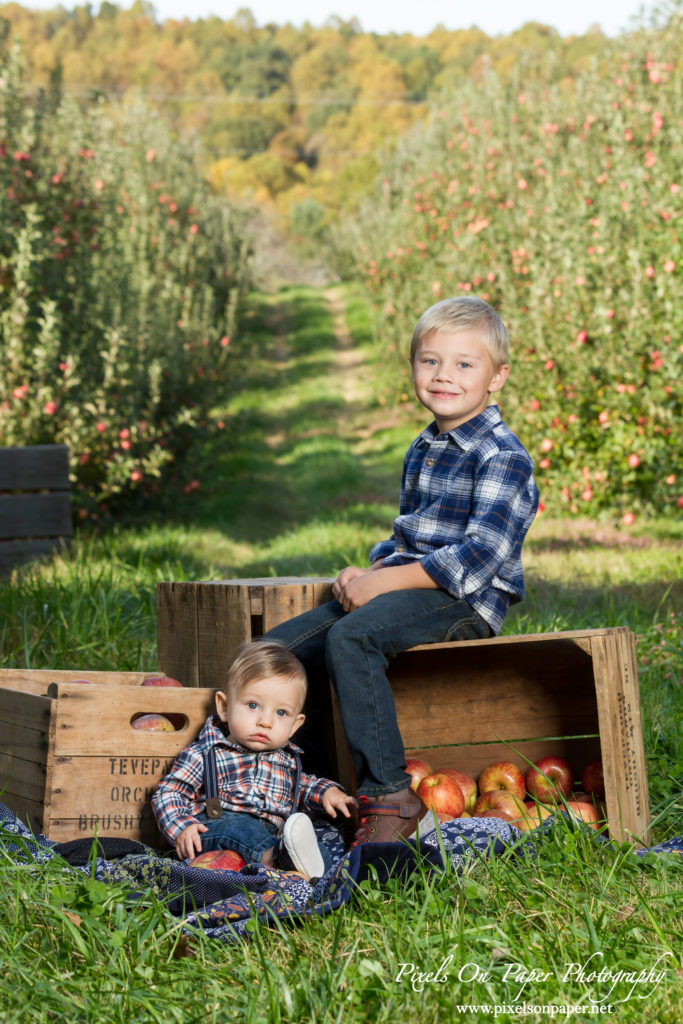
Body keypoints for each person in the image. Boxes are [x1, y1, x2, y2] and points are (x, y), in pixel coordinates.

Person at [265, 296, 539, 846]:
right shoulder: (425, 447)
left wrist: (385, 583)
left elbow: (475, 559)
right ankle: (317, 786)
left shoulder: (502, 455)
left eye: (465, 364)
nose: (444, 376)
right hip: (413, 588)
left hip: (465, 602)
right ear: (413, 366)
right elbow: (410, 536)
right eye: (430, 361)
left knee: (352, 636)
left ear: (497, 377)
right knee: (278, 652)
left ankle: (389, 794)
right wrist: (368, 571)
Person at [152, 639, 357, 880]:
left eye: (281, 713)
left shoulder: (287, 761)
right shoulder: (206, 753)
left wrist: (328, 793)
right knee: (240, 828)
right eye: (253, 705)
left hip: (274, 835)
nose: (265, 721)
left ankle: (310, 871)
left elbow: (303, 786)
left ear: (295, 726)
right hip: (215, 830)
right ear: (225, 707)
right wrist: (181, 827)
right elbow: (169, 792)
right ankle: (280, 861)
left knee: (320, 849)